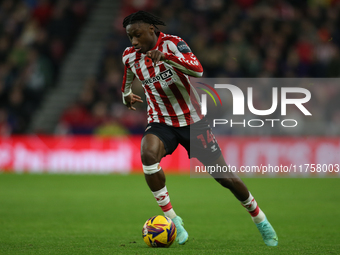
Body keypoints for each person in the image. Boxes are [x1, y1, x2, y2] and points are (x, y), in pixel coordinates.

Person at [121, 11, 278, 246]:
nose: (133, 41)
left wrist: (165, 58)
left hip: (193, 121)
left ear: (152, 30)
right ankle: (173, 219)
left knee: (225, 178)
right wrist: (126, 95)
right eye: (130, 37)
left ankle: (260, 219)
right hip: (161, 121)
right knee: (147, 155)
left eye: (137, 35)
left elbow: (198, 70)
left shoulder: (175, 44)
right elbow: (127, 77)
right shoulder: (130, 56)